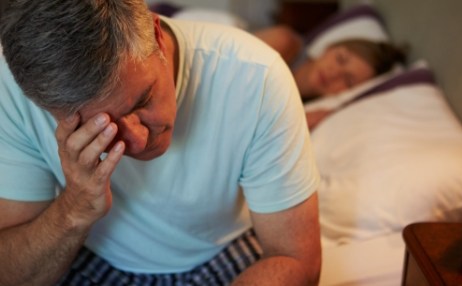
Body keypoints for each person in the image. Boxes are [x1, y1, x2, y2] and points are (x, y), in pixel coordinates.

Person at [0, 1, 321, 285]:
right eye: (101, 128)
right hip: (89, 254)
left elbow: (295, 258)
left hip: (219, 250)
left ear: (157, 37)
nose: (138, 141)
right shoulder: (12, 91)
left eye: (144, 99)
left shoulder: (256, 77)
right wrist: (74, 209)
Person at [255, 25, 406, 130]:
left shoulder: (312, 111)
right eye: (340, 59)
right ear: (330, 47)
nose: (333, 73)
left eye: (348, 80)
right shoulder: (284, 44)